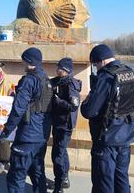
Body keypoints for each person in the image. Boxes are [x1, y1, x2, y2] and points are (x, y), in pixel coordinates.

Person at [80, 44, 134, 193]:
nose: (96, 68)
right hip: (126, 135)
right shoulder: (132, 73)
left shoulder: (105, 77)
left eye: (95, 65)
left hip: (106, 138)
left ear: (101, 61)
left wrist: (86, 101)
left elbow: (89, 111)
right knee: (122, 179)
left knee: (103, 182)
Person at [0, 47, 53, 193]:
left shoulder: (29, 80)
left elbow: (18, 109)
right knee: (38, 173)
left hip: (27, 136)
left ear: (29, 61)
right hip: (41, 134)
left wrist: (7, 130)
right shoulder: (46, 80)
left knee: (16, 176)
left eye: (24, 61)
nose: (23, 64)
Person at [50, 58, 81, 193]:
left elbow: (73, 106)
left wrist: (57, 101)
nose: (57, 70)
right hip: (57, 122)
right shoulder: (58, 81)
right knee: (61, 152)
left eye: (59, 68)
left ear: (66, 70)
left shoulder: (71, 84)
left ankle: (60, 184)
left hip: (65, 124)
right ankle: (64, 179)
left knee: (58, 154)